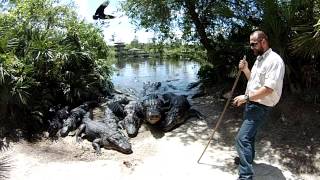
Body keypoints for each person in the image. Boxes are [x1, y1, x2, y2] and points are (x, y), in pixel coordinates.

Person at [233, 30, 285, 180]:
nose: (251, 47)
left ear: (263, 41)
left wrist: (246, 97)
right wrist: (245, 69)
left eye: (253, 44)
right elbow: (253, 82)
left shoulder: (274, 61)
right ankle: (247, 160)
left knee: (241, 139)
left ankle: (245, 176)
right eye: (250, 45)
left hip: (260, 106)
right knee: (249, 137)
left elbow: (268, 89)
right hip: (252, 104)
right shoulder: (260, 59)